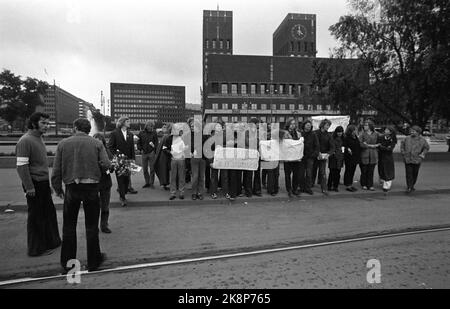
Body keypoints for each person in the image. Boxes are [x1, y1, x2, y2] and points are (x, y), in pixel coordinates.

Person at [51, 118, 111, 272]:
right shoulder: (97, 143)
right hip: (91, 187)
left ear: (75, 127)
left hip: (72, 187)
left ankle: (68, 264)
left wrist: (57, 188)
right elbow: (106, 164)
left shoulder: (63, 144)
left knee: (69, 227)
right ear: (88, 129)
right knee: (91, 226)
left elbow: (56, 169)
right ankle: (93, 261)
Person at [16, 112, 61, 257]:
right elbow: (21, 167)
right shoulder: (25, 141)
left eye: (48, 123)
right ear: (34, 123)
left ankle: (51, 242)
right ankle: (36, 249)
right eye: (43, 123)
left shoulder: (38, 138)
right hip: (33, 183)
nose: (47, 126)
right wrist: (29, 187)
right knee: (36, 217)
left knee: (48, 213)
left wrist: (46, 184)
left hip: (41, 183)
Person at [108, 116, 136, 206]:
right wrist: (117, 155)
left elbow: (132, 148)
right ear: (123, 122)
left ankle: (123, 191)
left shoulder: (130, 134)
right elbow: (110, 147)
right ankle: (122, 197)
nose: (129, 123)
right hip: (119, 160)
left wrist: (133, 159)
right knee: (120, 179)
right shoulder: (114, 133)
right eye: (128, 121)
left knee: (127, 179)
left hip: (128, 160)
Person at [93, 133, 114, 233]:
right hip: (94, 182)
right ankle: (94, 226)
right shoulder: (91, 152)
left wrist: (111, 167)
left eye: (100, 141)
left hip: (105, 182)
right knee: (94, 206)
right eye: (96, 141)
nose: (98, 143)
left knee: (105, 205)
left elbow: (111, 167)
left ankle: (104, 225)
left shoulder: (107, 152)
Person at [401, 125, 430, 193]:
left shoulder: (422, 140)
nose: (411, 132)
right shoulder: (406, 138)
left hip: (417, 159)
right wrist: (403, 152)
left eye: (413, 131)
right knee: (408, 173)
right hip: (408, 158)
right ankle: (409, 187)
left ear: (418, 132)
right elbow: (402, 145)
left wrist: (422, 154)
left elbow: (426, 147)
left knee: (415, 173)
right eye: (411, 131)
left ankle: (412, 185)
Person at [164, 124, 188, 200]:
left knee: (181, 177)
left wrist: (185, 149)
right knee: (173, 177)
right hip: (173, 159)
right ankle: (173, 193)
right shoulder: (169, 138)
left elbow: (187, 147)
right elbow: (164, 149)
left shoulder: (183, 138)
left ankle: (181, 192)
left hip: (181, 159)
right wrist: (170, 152)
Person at [314, 119, 335, 196]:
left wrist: (328, 154)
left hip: (323, 156)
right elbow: (314, 144)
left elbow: (332, 147)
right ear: (322, 125)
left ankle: (324, 188)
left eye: (329, 125)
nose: (328, 127)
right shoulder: (315, 133)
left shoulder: (329, 135)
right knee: (312, 171)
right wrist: (318, 152)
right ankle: (310, 185)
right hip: (314, 155)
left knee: (322, 172)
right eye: (327, 125)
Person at [189, 118, 207, 200]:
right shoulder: (189, 135)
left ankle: (200, 192)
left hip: (202, 158)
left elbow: (206, 146)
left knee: (201, 177)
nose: (192, 128)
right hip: (194, 158)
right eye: (191, 126)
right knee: (195, 176)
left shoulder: (203, 135)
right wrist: (189, 152)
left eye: (193, 126)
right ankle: (194, 193)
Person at [299, 120, 319, 195]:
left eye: (310, 125)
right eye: (307, 125)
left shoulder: (313, 134)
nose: (309, 126)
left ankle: (308, 188)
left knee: (309, 173)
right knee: (301, 173)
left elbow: (317, 145)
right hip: (301, 157)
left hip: (310, 157)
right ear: (304, 126)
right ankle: (301, 187)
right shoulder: (300, 134)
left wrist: (314, 154)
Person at [283, 119, 302, 197]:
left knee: (296, 174)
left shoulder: (298, 133)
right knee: (287, 174)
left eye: (294, 124)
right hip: (287, 157)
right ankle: (289, 189)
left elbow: (300, 144)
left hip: (296, 157)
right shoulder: (284, 133)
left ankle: (295, 189)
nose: (293, 125)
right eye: (291, 124)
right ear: (288, 124)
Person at [137, 121, 159, 189]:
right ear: (146, 126)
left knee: (152, 169)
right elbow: (138, 142)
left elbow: (156, 143)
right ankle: (147, 182)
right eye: (150, 126)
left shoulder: (154, 133)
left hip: (151, 153)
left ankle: (151, 183)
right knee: (145, 169)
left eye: (152, 126)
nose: (151, 128)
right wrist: (140, 149)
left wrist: (154, 150)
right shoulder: (141, 133)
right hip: (144, 153)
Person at [359, 120, 380, 191]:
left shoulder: (376, 134)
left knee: (371, 171)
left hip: (373, 154)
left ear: (370, 126)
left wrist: (370, 145)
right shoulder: (362, 134)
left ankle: (370, 185)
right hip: (364, 153)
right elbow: (360, 143)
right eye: (364, 125)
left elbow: (380, 142)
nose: (364, 126)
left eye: (366, 125)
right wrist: (368, 145)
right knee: (364, 171)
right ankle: (364, 184)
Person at [377, 126, 397, 193]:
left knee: (388, 170)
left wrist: (381, 147)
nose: (386, 131)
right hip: (381, 156)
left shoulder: (393, 139)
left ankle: (387, 185)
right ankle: (382, 180)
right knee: (381, 169)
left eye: (387, 130)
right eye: (385, 130)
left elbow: (389, 149)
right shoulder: (381, 137)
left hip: (388, 157)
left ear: (391, 132)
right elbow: (378, 146)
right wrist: (383, 147)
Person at [153, 123, 172, 191]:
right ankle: (165, 184)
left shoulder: (165, 136)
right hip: (165, 156)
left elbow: (160, 147)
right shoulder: (167, 137)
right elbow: (164, 147)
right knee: (166, 171)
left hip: (163, 156)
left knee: (165, 171)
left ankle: (165, 184)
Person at [343, 125, 361, 192]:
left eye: (355, 130)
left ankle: (350, 183)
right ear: (350, 131)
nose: (355, 131)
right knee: (348, 171)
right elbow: (344, 146)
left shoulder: (355, 137)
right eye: (354, 130)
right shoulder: (346, 137)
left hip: (355, 156)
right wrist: (347, 148)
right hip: (349, 157)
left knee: (352, 171)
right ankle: (348, 185)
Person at [327, 126, 344, 192]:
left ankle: (335, 186)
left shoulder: (343, 138)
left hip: (340, 158)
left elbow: (343, 147)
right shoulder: (332, 138)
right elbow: (331, 147)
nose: (340, 133)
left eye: (341, 132)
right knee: (332, 173)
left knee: (337, 173)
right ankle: (329, 185)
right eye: (338, 132)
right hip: (333, 157)